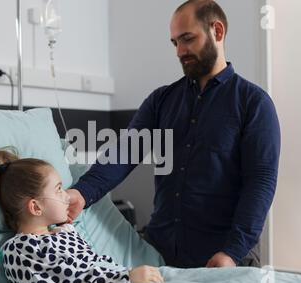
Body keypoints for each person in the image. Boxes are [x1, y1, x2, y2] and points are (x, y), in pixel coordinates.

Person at [66, 0, 281, 268]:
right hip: (161, 254)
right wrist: (82, 193)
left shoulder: (253, 103)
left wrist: (233, 252)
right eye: (174, 42)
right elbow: (124, 152)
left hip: (224, 257)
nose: (180, 51)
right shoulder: (161, 101)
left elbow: (260, 182)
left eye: (187, 39)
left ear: (217, 31)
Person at [0, 148, 164, 283]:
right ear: (36, 207)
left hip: (117, 282)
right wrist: (127, 278)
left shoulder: (65, 231)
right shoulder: (18, 250)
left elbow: (95, 265)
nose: (66, 195)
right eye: (58, 189)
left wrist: (128, 275)